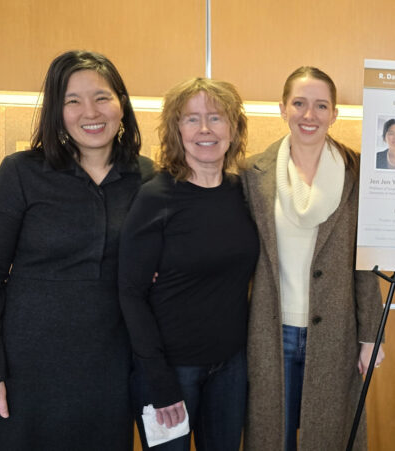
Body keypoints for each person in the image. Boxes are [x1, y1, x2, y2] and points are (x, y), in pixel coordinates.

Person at [0, 50, 153, 450]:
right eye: (73, 100)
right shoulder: (20, 172)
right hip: (26, 365)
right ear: (57, 111)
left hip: (110, 364)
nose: (91, 112)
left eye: (102, 97)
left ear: (122, 104)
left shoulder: (146, 176)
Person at [243, 66, 384, 451]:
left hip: (336, 334)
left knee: (328, 437)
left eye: (321, 105)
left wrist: (371, 335)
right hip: (269, 332)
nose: (310, 115)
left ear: (334, 113)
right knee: (273, 437)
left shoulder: (358, 173)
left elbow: (366, 262)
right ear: (282, 108)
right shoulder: (252, 174)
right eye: (299, 104)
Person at [118, 78, 258, 450]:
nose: (205, 129)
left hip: (231, 367)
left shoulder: (243, 194)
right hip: (169, 371)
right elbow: (131, 292)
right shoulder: (156, 196)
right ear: (176, 130)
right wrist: (159, 380)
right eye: (192, 119)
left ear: (233, 128)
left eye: (216, 117)